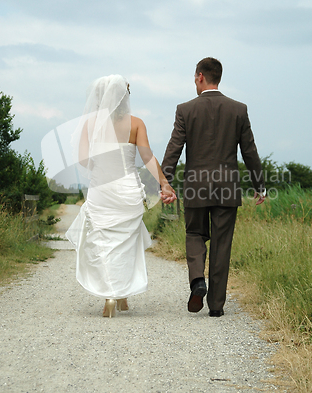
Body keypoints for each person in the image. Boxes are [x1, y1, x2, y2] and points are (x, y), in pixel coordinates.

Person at [161, 58, 266, 317]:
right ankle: (216, 306)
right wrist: (259, 185)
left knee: (195, 234)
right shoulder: (238, 109)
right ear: (218, 77)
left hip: (196, 186)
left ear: (200, 77)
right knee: (222, 244)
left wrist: (166, 182)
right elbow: (249, 151)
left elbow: (174, 148)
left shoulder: (185, 110)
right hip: (228, 187)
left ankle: (198, 280)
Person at [66, 75, 176, 318]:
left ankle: (111, 296)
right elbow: (147, 158)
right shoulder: (136, 124)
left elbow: (83, 160)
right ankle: (121, 293)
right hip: (127, 190)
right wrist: (164, 184)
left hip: (102, 190)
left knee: (103, 243)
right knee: (125, 244)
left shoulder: (90, 125)